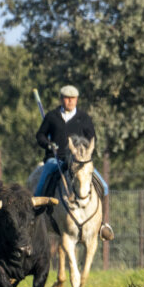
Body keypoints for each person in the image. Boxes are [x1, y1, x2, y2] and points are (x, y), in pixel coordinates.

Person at [35, 85, 113, 241]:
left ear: (76, 100)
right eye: (66, 98)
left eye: (72, 99)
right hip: (55, 158)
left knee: (104, 186)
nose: (69, 101)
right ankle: (35, 219)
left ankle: (103, 223)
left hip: (79, 162)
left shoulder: (84, 118)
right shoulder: (52, 116)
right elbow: (40, 136)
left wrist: (84, 150)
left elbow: (92, 138)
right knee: (41, 185)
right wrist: (49, 144)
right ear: (61, 99)